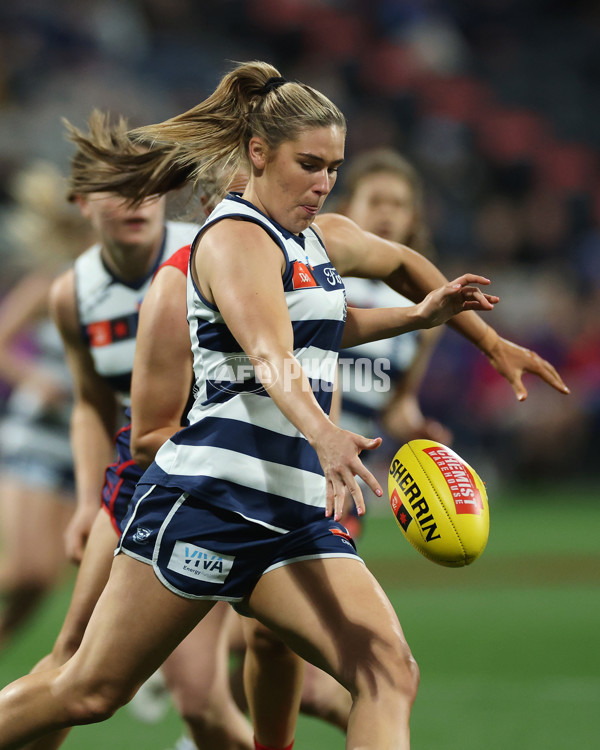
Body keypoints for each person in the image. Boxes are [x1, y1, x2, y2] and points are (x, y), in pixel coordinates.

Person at [0, 61, 567, 750]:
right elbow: (271, 354)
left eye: (334, 165)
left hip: (294, 511)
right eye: (310, 163)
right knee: (88, 690)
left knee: (388, 671)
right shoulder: (236, 239)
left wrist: (474, 334)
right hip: (210, 499)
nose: (324, 181)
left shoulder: (313, 237)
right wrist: (326, 432)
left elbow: (396, 266)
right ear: (259, 154)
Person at [15, 113, 253, 750]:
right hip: (139, 482)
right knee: (71, 667)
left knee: (203, 705)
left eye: (148, 187)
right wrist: (92, 506)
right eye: (117, 190)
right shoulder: (74, 295)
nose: (137, 202)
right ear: (82, 205)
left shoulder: (211, 248)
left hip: (217, 488)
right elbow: (93, 404)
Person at [0, 161, 94, 646]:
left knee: (44, 580)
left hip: (81, 449)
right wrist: (35, 377)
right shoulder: (51, 281)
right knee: (23, 572)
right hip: (37, 434)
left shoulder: (134, 290)